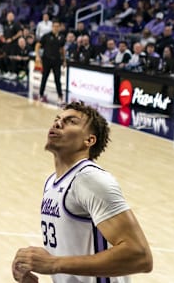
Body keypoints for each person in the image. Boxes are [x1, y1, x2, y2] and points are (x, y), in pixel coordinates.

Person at [12, 102, 153, 282]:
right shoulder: (51, 182)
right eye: (57, 119)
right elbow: (69, 251)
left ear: (89, 140)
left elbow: (140, 256)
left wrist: (54, 264)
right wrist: (32, 265)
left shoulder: (90, 179)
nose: (57, 123)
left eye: (71, 121)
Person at [35, 19, 66, 103]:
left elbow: (62, 49)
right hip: (46, 60)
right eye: (54, 26)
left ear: (59, 27)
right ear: (52, 27)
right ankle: (40, 95)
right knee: (44, 78)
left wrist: (64, 60)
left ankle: (60, 97)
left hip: (57, 61)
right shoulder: (46, 36)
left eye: (57, 26)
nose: (56, 28)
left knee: (57, 79)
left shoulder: (62, 37)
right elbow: (38, 45)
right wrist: (37, 56)